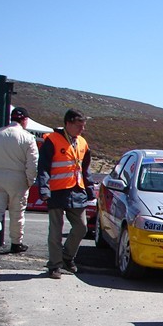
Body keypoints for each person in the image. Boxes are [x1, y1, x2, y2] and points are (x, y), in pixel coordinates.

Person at [37, 109, 95, 279]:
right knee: (55, 230)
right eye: (79, 125)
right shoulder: (52, 140)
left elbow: (85, 168)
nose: (81, 129)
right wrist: (44, 189)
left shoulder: (83, 142)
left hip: (77, 191)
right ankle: (54, 266)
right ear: (68, 123)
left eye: (83, 126)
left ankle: (67, 257)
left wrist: (90, 188)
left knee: (82, 227)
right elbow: (44, 168)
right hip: (56, 191)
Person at [0, 107, 39, 257]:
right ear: (24, 120)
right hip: (18, 179)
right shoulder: (28, 137)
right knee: (17, 213)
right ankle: (16, 243)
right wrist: (29, 180)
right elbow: (33, 163)